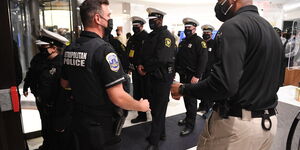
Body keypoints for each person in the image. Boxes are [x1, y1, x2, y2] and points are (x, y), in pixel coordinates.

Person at [171, 0, 283, 149]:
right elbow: (279, 80)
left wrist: (183, 89)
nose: (219, 4)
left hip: (236, 125)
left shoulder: (234, 25)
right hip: (267, 124)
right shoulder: (270, 30)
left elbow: (223, 85)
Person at [60, 0, 150, 150]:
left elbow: (65, 84)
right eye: (108, 15)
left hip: (78, 120)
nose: (109, 19)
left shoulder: (71, 48)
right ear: (97, 19)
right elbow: (118, 96)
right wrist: (140, 106)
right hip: (100, 126)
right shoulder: (103, 50)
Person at [24, 28, 69, 150]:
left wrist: (61, 115)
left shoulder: (62, 65)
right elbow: (31, 73)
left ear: (54, 48)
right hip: (42, 103)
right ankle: (47, 145)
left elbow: (63, 93)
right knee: (46, 128)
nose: (41, 50)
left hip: (56, 108)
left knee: (58, 134)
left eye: (44, 47)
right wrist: (26, 85)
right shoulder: (39, 59)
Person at [138, 7, 176, 150]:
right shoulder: (151, 36)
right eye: (150, 21)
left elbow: (161, 59)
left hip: (162, 79)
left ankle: (154, 142)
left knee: (159, 109)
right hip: (152, 77)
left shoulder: (166, 36)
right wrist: (141, 64)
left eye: (153, 20)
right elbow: (144, 53)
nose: (151, 23)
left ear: (160, 20)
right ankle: (161, 134)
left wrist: (145, 68)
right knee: (155, 109)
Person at [175, 17, 207, 136]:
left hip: (193, 76)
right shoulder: (183, 42)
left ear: (194, 28)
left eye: (189, 27)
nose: (187, 29)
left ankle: (190, 125)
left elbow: (203, 60)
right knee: (186, 99)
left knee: (192, 101)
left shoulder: (199, 42)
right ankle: (188, 118)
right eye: (186, 27)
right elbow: (179, 58)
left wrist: (197, 76)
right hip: (183, 75)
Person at [127, 16, 149, 123]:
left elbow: (148, 55)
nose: (135, 28)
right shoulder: (132, 38)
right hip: (134, 70)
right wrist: (129, 66)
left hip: (144, 71)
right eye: (134, 26)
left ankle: (146, 112)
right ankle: (141, 114)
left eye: (137, 26)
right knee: (137, 93)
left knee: (145, 92)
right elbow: (129, 52)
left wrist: (144, 67)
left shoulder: (146, 37)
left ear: (142, 26)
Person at [197, 24, 217, 116]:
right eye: (204, 33)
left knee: (208, 89)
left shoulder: (214, 44)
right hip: (201, 70)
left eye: (208, 33)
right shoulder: (201, 43)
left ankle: (207, 106)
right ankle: (201, 105)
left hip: (210, 71)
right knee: (201, 88)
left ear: (211, 34)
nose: (206, 34)